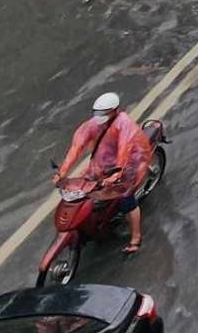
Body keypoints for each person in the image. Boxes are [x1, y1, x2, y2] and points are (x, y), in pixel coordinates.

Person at [54, 92, 153, 254]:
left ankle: (136, 237)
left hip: (130, 160)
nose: (99, 117)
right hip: (104, 160)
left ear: (115, 110)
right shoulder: (93, 124)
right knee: (84, 185)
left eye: (103, 113)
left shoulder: (124, 124)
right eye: (97, 113)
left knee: (125, 199)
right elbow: (76, 147)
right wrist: (63, 172)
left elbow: (124, 148)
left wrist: (117, 173)